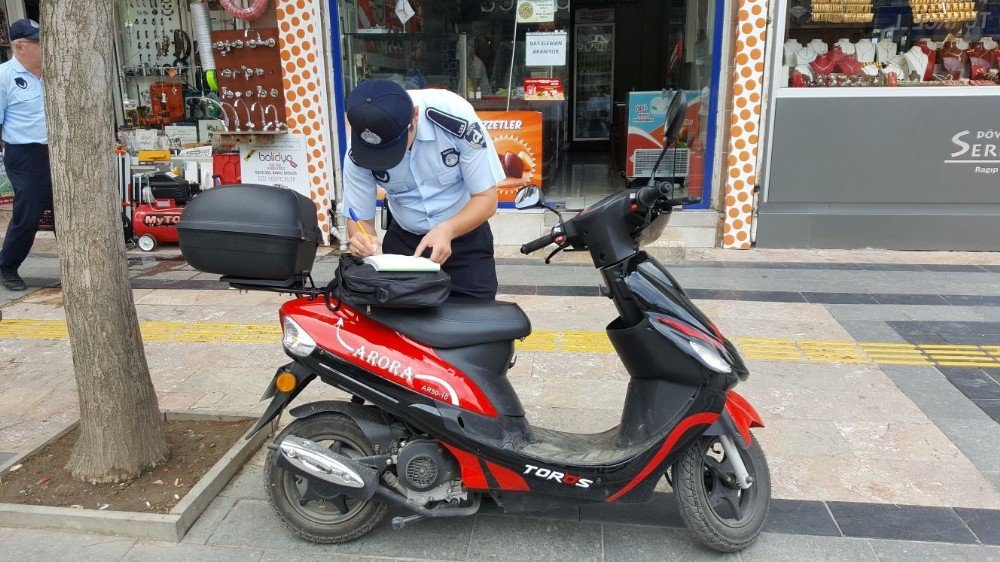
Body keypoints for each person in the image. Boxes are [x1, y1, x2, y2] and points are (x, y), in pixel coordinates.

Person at [342, 79, 505, 302]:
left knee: (475, 322)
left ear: (415, 116)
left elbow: (486, 198)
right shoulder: (358, 150)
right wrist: (362, 239)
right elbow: (359, 218)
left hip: (465, 235)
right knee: (401, 327)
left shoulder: (454, 118)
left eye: (395, 146)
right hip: (404, 243)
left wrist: (447, 230)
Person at [0, 19, 48, 292]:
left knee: (67, 210)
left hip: (58, 151)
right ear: (19, 46)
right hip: (25, 154)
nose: (46, 47)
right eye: (39, 42)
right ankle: (7, 265)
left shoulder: (52, 74)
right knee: (29, 212)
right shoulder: (4, 77)